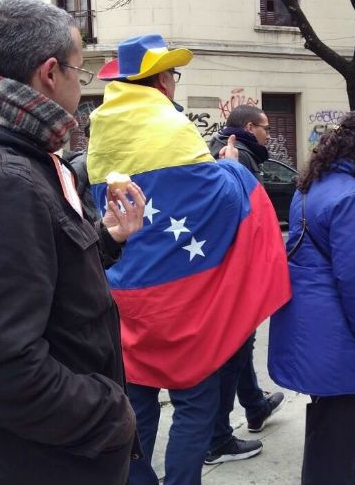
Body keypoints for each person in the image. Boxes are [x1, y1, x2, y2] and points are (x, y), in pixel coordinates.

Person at [0, 0, 146, 485]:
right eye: (80, 74)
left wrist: (106, 239)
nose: (79, 89)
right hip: (23, 462)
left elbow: (41, 276)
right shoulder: (1, 179)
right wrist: (111, 415)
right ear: (49, 72)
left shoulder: (3, 154)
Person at [86, 34, 291, 485]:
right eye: (173, 75)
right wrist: (233, 167)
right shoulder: (171, 126)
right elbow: (213, 198)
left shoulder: (101, 127)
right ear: (161, 79)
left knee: (136, 408)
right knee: (195, 404)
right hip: (182, 302)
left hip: (128, 296)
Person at [269, 110, 355, 485]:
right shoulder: (354, 197)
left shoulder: (311, 187)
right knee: (339, 440)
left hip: (310, 324)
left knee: (325, 431)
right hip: (336, 333)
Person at [204, 104, 285, 464]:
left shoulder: (220, 148)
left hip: (224, 269)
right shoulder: (240, 160)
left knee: (241, 346)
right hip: (234, 271)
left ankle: (254, 406)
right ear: (251, 127)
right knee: (233, 352)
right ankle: (217, 438)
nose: (271, 134)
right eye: (267, 128)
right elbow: (244, 218)